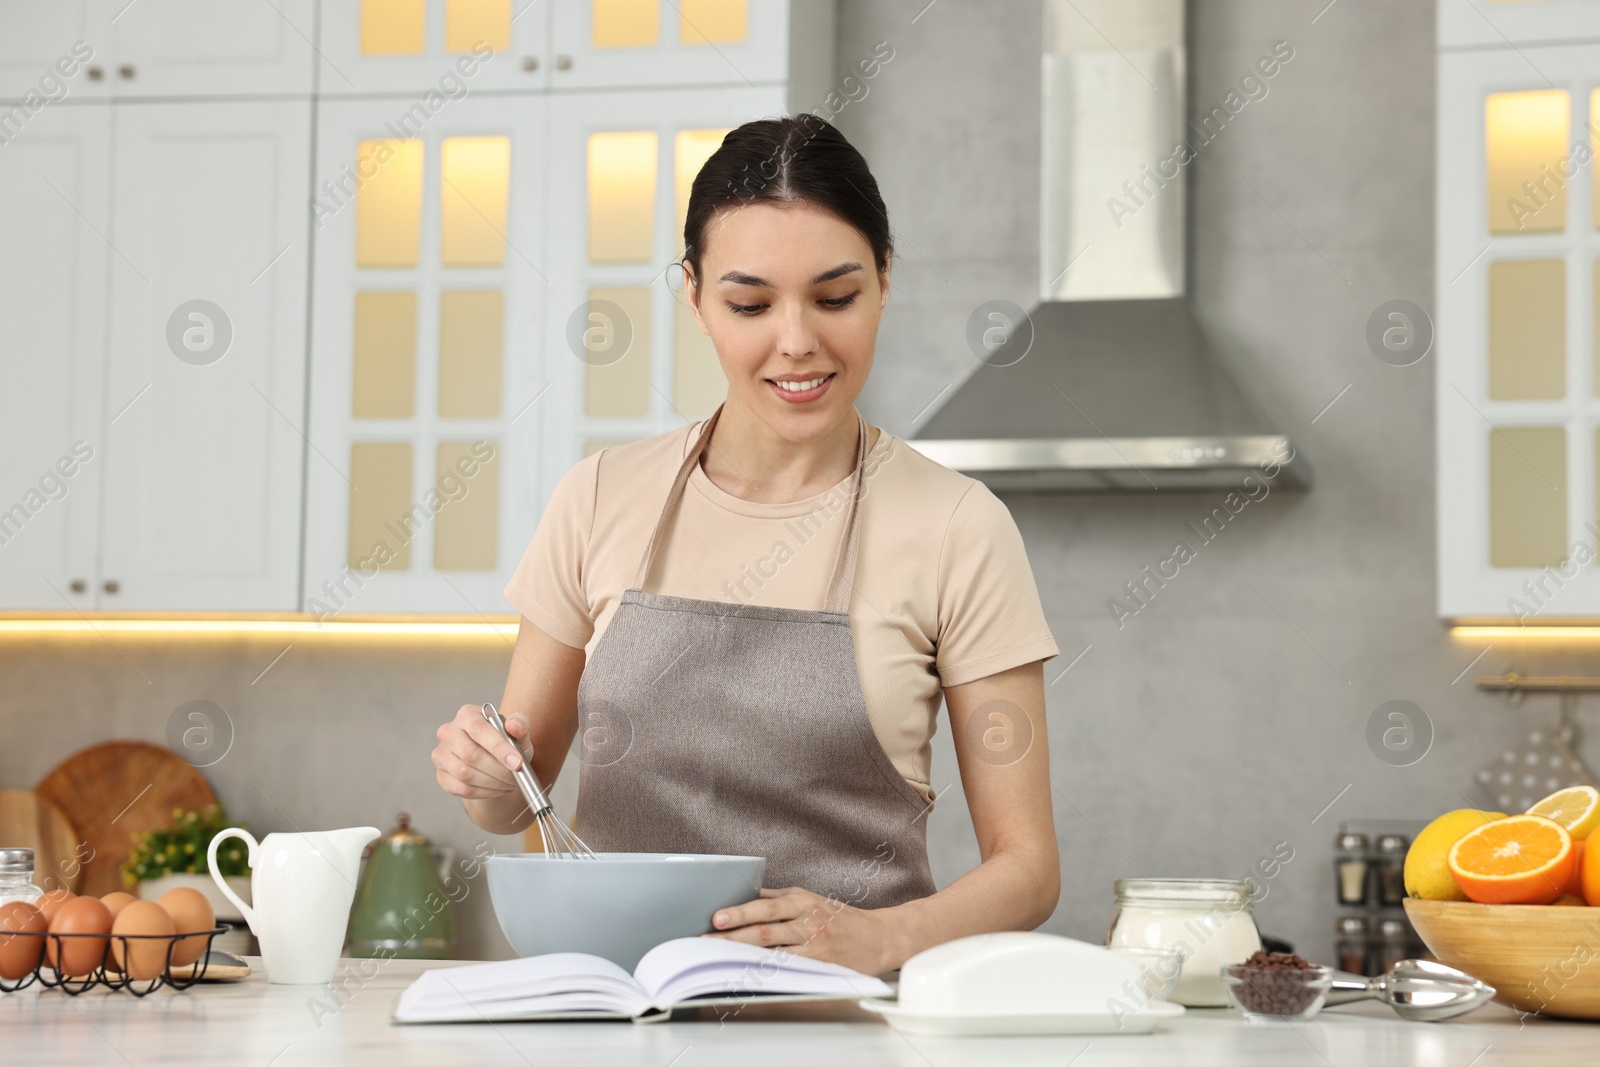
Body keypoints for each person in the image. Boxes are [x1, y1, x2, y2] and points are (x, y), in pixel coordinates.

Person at [433, 114, 1061, 977]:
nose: (796, 340)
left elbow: (1028, 867)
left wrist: (885, 937)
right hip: (612, 1012)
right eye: (750, 303)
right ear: (693, 294)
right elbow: (515, 801)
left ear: (884, 280)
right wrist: (486, 772)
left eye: (835, 297)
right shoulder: (599, 497)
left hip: (840, 1020)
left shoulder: (958, 526)